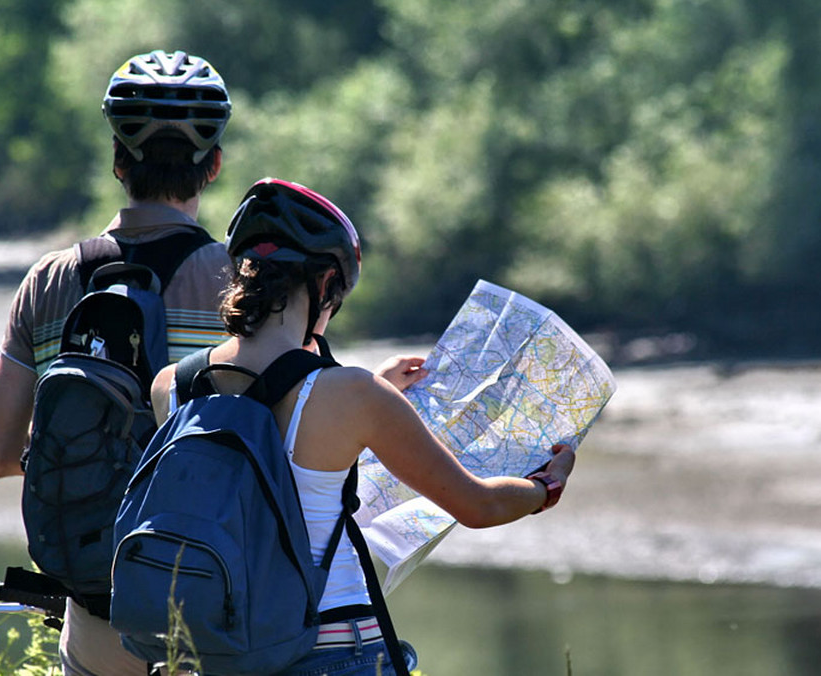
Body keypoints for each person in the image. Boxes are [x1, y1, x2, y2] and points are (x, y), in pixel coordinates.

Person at [153, 178, 576, 675]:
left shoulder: (172, 386)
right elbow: (480, 506)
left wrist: (375, 390)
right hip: (333, 648)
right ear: (327, 284)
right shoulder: (353, 397)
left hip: (221, 648)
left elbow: (258, 443)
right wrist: (546, 484)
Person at [0, 49, 233, 676]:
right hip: (218, 594)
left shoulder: (50, 281)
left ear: (118, 162)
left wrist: (91, 452)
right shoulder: (243, 284)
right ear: (214, 166)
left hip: (98, 602)